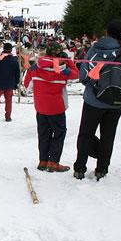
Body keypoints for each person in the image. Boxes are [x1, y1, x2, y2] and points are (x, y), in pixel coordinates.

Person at [74, 19, 121, 181]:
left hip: (94, 101)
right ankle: (102, 168)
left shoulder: (95, 50)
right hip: (117, 102)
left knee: (86, 134)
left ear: (107, 32)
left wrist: (95, 85)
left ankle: (80, 168)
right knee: (108, 135)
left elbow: (84, 75)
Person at [24, 42, 78, 172]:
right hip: (57, 107)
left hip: (41, 107)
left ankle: (43, 161)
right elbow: (77, 74)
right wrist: (68, 61)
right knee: (59, 134)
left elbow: (27, 85)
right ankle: (53, 162)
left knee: (43, 134)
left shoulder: (35, 67)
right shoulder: (62, 68)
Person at [0, 42, 20, 122]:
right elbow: (17, 73)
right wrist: (16, 83)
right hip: (10, 84)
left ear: (3, 49)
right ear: (11, 50)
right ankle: (8, 117)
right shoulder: (14, 60)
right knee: (8, 101)